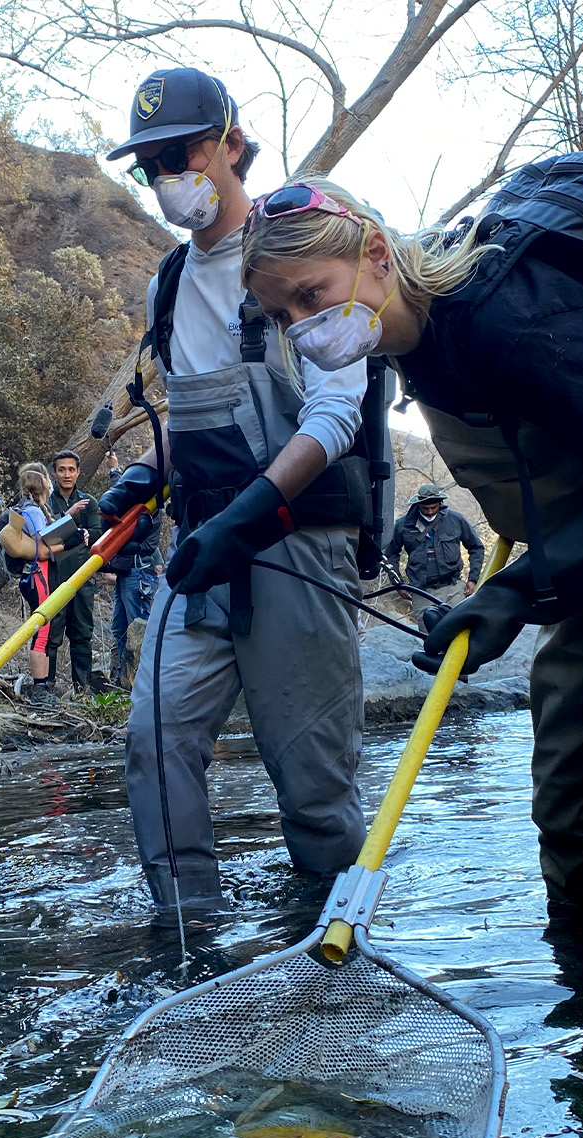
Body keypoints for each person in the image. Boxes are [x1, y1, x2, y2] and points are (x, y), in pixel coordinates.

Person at [242, 177, 583, 956]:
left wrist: (512, 593)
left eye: (309, 294)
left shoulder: (507, 312)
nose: (301, 325)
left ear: (377, 255)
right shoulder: (412, 348)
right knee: (563, 797)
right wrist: (500, 595)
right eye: (281, 314)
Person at [98, 68, 372, 907]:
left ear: (229, 145)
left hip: (298, 549)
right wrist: (153, 471)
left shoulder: (301, 254)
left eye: (177, 155)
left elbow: (337, 412)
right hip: (202, 552)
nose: (163, 180)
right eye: (147, 167)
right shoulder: (168, 282)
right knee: (153, 736)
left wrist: (252, 512)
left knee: (313, 782)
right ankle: (184, 936)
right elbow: (190, 405)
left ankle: (334, 956)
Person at [1, 462, 64, 706]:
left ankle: (45, 684)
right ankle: (39, 690)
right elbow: (42, 549)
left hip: (35, 576)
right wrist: (69, 543)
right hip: (38, 574)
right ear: (44, 482)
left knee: (43, 629)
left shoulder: (26, 508)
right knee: (43, 629)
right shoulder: (35, 512)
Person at [43, 449, 104, 695]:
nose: (66, 474)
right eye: (61, 469)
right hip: (53, 575)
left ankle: (82, 688)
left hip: (82, 576)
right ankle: (46, 686)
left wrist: (88, 535)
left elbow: (98, 533)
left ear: (78, 472)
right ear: (54, 473)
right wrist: (69, 522)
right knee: (51, 631)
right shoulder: (46, 501)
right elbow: (43, 533)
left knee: (81, 632)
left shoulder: (89, 502)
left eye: (71, 469)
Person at [384, 482, 484, 620]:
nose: (430, 511)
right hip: (421, 590)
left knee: (458, 630)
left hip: (453, 587)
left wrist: (473, 579)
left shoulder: (456, 520)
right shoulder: (403, 525)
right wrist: (398, 584)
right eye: (425, 508)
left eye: (433, 507)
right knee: (428, 635)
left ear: (440, 503)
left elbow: (476, 547)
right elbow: (390, 554)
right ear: (418, 505)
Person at [103, 450, 159, 687]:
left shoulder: (148, 509)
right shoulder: (135, 504)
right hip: (127, 574)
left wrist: (116, 471)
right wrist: (114, 469)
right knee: (119, 628)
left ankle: (141, 680)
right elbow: (121, 493)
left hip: (139, 574)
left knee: (138, 628)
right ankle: (122, 679)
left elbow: (126, 505)